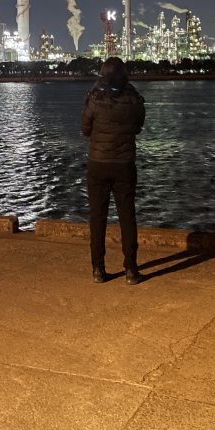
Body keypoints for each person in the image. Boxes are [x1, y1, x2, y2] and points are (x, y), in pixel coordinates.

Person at [81, 56, 146, 285]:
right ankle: (131, 270)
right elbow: (138, 127)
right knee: (127, 217)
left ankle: (98, 269)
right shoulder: (134, 99)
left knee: (97, 217)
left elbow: (85, 129)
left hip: (97, 163)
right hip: (124, 164)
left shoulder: (94, 98)